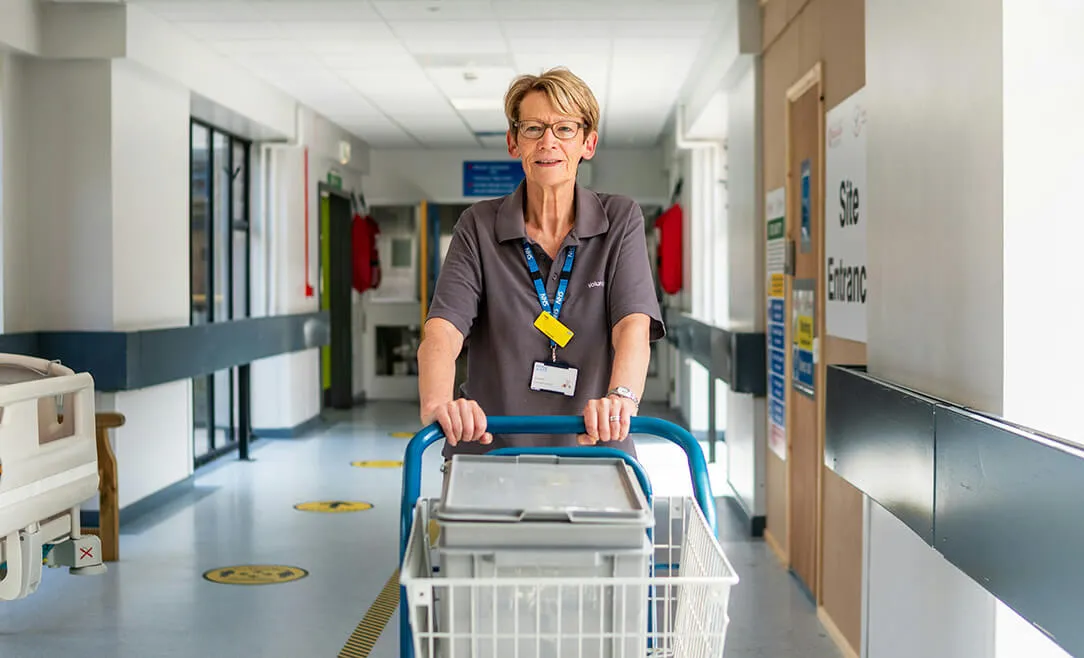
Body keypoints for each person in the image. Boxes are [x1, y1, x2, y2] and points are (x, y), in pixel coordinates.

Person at [417, 66, 665, 472]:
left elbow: (632, 326)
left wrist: (621, 398)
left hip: (593, 450)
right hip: (490, 452)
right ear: (514, 143)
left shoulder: (619, 219)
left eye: (565, 128)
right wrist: (438, 401)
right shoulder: (479, 225)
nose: (548, 141)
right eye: (533, 128)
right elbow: (443, 329)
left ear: (588, 143)